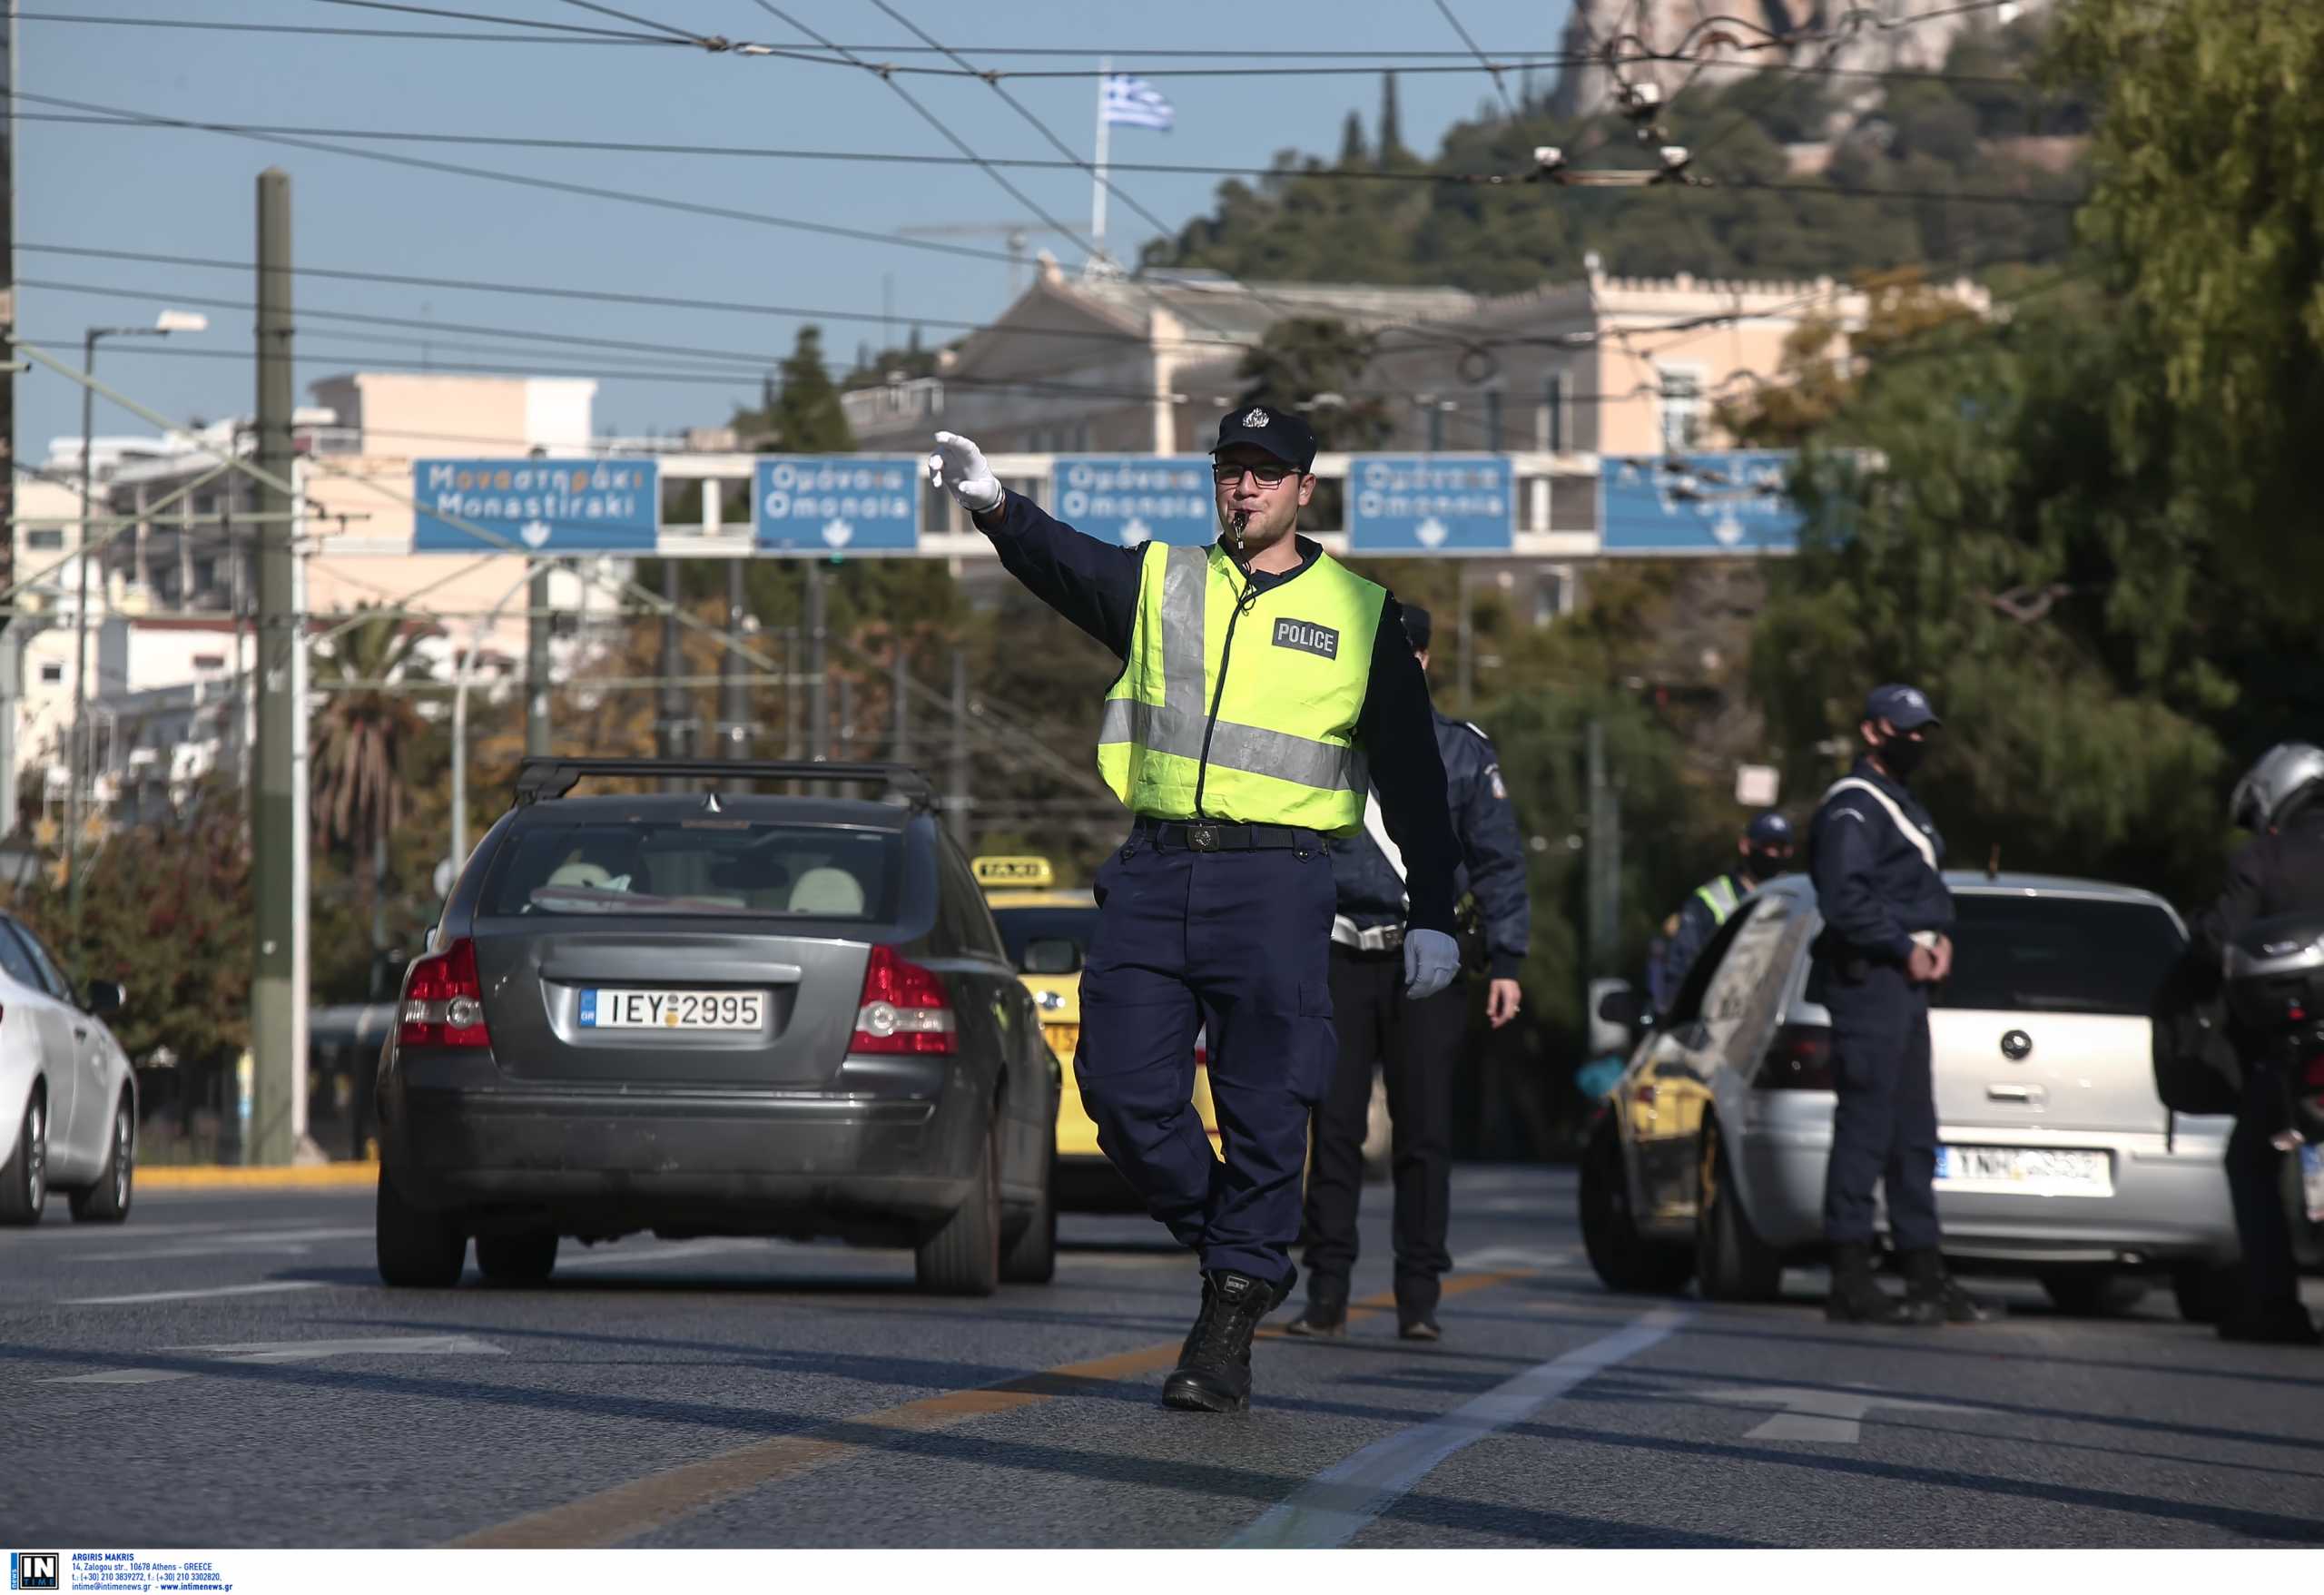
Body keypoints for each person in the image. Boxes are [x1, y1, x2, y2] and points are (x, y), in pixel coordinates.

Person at [927, 409, 1462, 1413]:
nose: (1245, 489)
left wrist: (1433, 908)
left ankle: (1223, 1329)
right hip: (1156, 869)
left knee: (1265, 1110)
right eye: (1230, 471)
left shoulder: (1361, 612)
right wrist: (993, 504)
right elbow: (1066, 564)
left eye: (1267, 474)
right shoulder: (1164, 581)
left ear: (1306, 488)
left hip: (1279, 882)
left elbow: (1417, 779)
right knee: (1121, 1092)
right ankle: (1243, 1245)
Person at [1288, 603, 1531, 1343]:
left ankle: (1417, 1294)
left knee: (1424, 1128)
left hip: (1428, 953)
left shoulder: (1463, 753)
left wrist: (1508, 960)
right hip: (1337, 954)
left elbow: (1498, 860)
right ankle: (1325, 1290)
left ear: (1421, 661)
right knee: (1333, 1130)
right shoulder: (1322, 746)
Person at [1807, 684, 1996, 1327]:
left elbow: (1922, 890)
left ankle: (1924, 1270)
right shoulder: (1854, 807)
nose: (1916, 741)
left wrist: (1939, 937)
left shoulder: (1903, 805)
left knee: (1915, 1133)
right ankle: (1850, 1275)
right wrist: (1900, 945)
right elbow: (1846, 897)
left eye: (1923, 731)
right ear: (1871, 731)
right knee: (1866, 1128)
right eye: (1904, 729)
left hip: (1907, 984)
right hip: (1871, 981)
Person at [2191, 741, 2324, 1345]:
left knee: (2251, 1157)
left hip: (2296, 1051)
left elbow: (2218, 940)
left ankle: (2274, 1303)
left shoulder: (2265, 857)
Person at [1649, 812, 1795, 1016]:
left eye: (1779, 848)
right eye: (1766, 846)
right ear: (1745, 846)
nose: (1772, 855)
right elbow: (1681, 969)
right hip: (1717, 1018)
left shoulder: (1796, 900)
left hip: (1776, 1017)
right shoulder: (1709, 901)